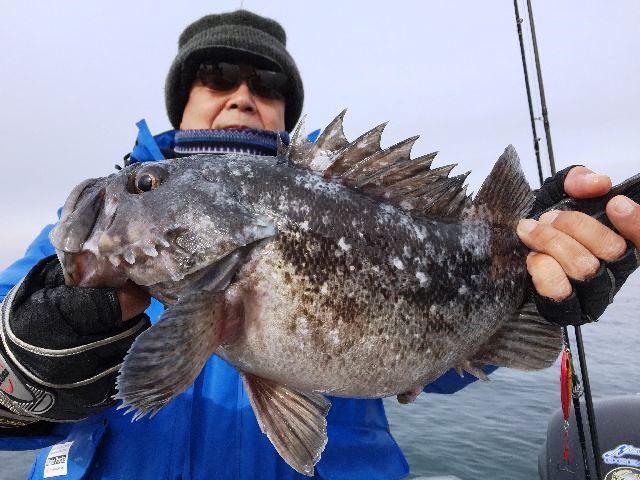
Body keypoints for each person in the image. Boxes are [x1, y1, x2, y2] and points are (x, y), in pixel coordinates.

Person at [0, 9, 637, 480]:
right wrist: (27, 373)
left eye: (267, 84)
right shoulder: (70, 250)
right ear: (183, 101)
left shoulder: (332, 198)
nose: (242, 95)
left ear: (285, 110)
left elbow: (438, 370)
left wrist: (537, 262)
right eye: (215, 75)